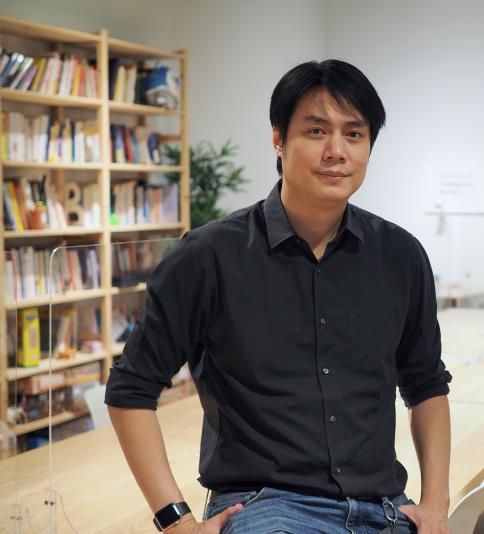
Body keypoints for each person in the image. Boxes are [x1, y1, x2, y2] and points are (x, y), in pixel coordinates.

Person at [105, 59, 453, 534]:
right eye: (316, 131)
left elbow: (426, 384)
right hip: (267, 508)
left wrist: (435, 504)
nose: (337, 151)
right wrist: (176, 522)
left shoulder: (400, 255)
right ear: (278, 139)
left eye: (354, 134)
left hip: (384, 508)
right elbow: (131, 389)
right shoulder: (208, 256)